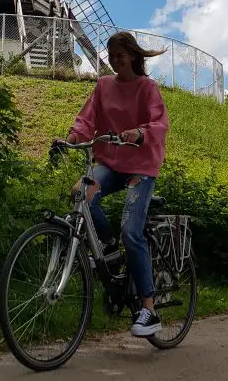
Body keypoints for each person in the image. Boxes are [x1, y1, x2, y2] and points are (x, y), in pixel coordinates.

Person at [61, 31, 170, 338]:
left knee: (131, 230)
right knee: (81, 193)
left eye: (120, 54)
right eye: (111, 54)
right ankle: (109, 249)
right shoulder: (104, 86)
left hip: (141, 165)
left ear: (134, 56)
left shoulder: (147, 88)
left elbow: (160, 123)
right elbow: (87, 120)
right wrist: (70, 139)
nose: (114, 59)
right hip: (110, 161)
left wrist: (140, 132)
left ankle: (148, 308)